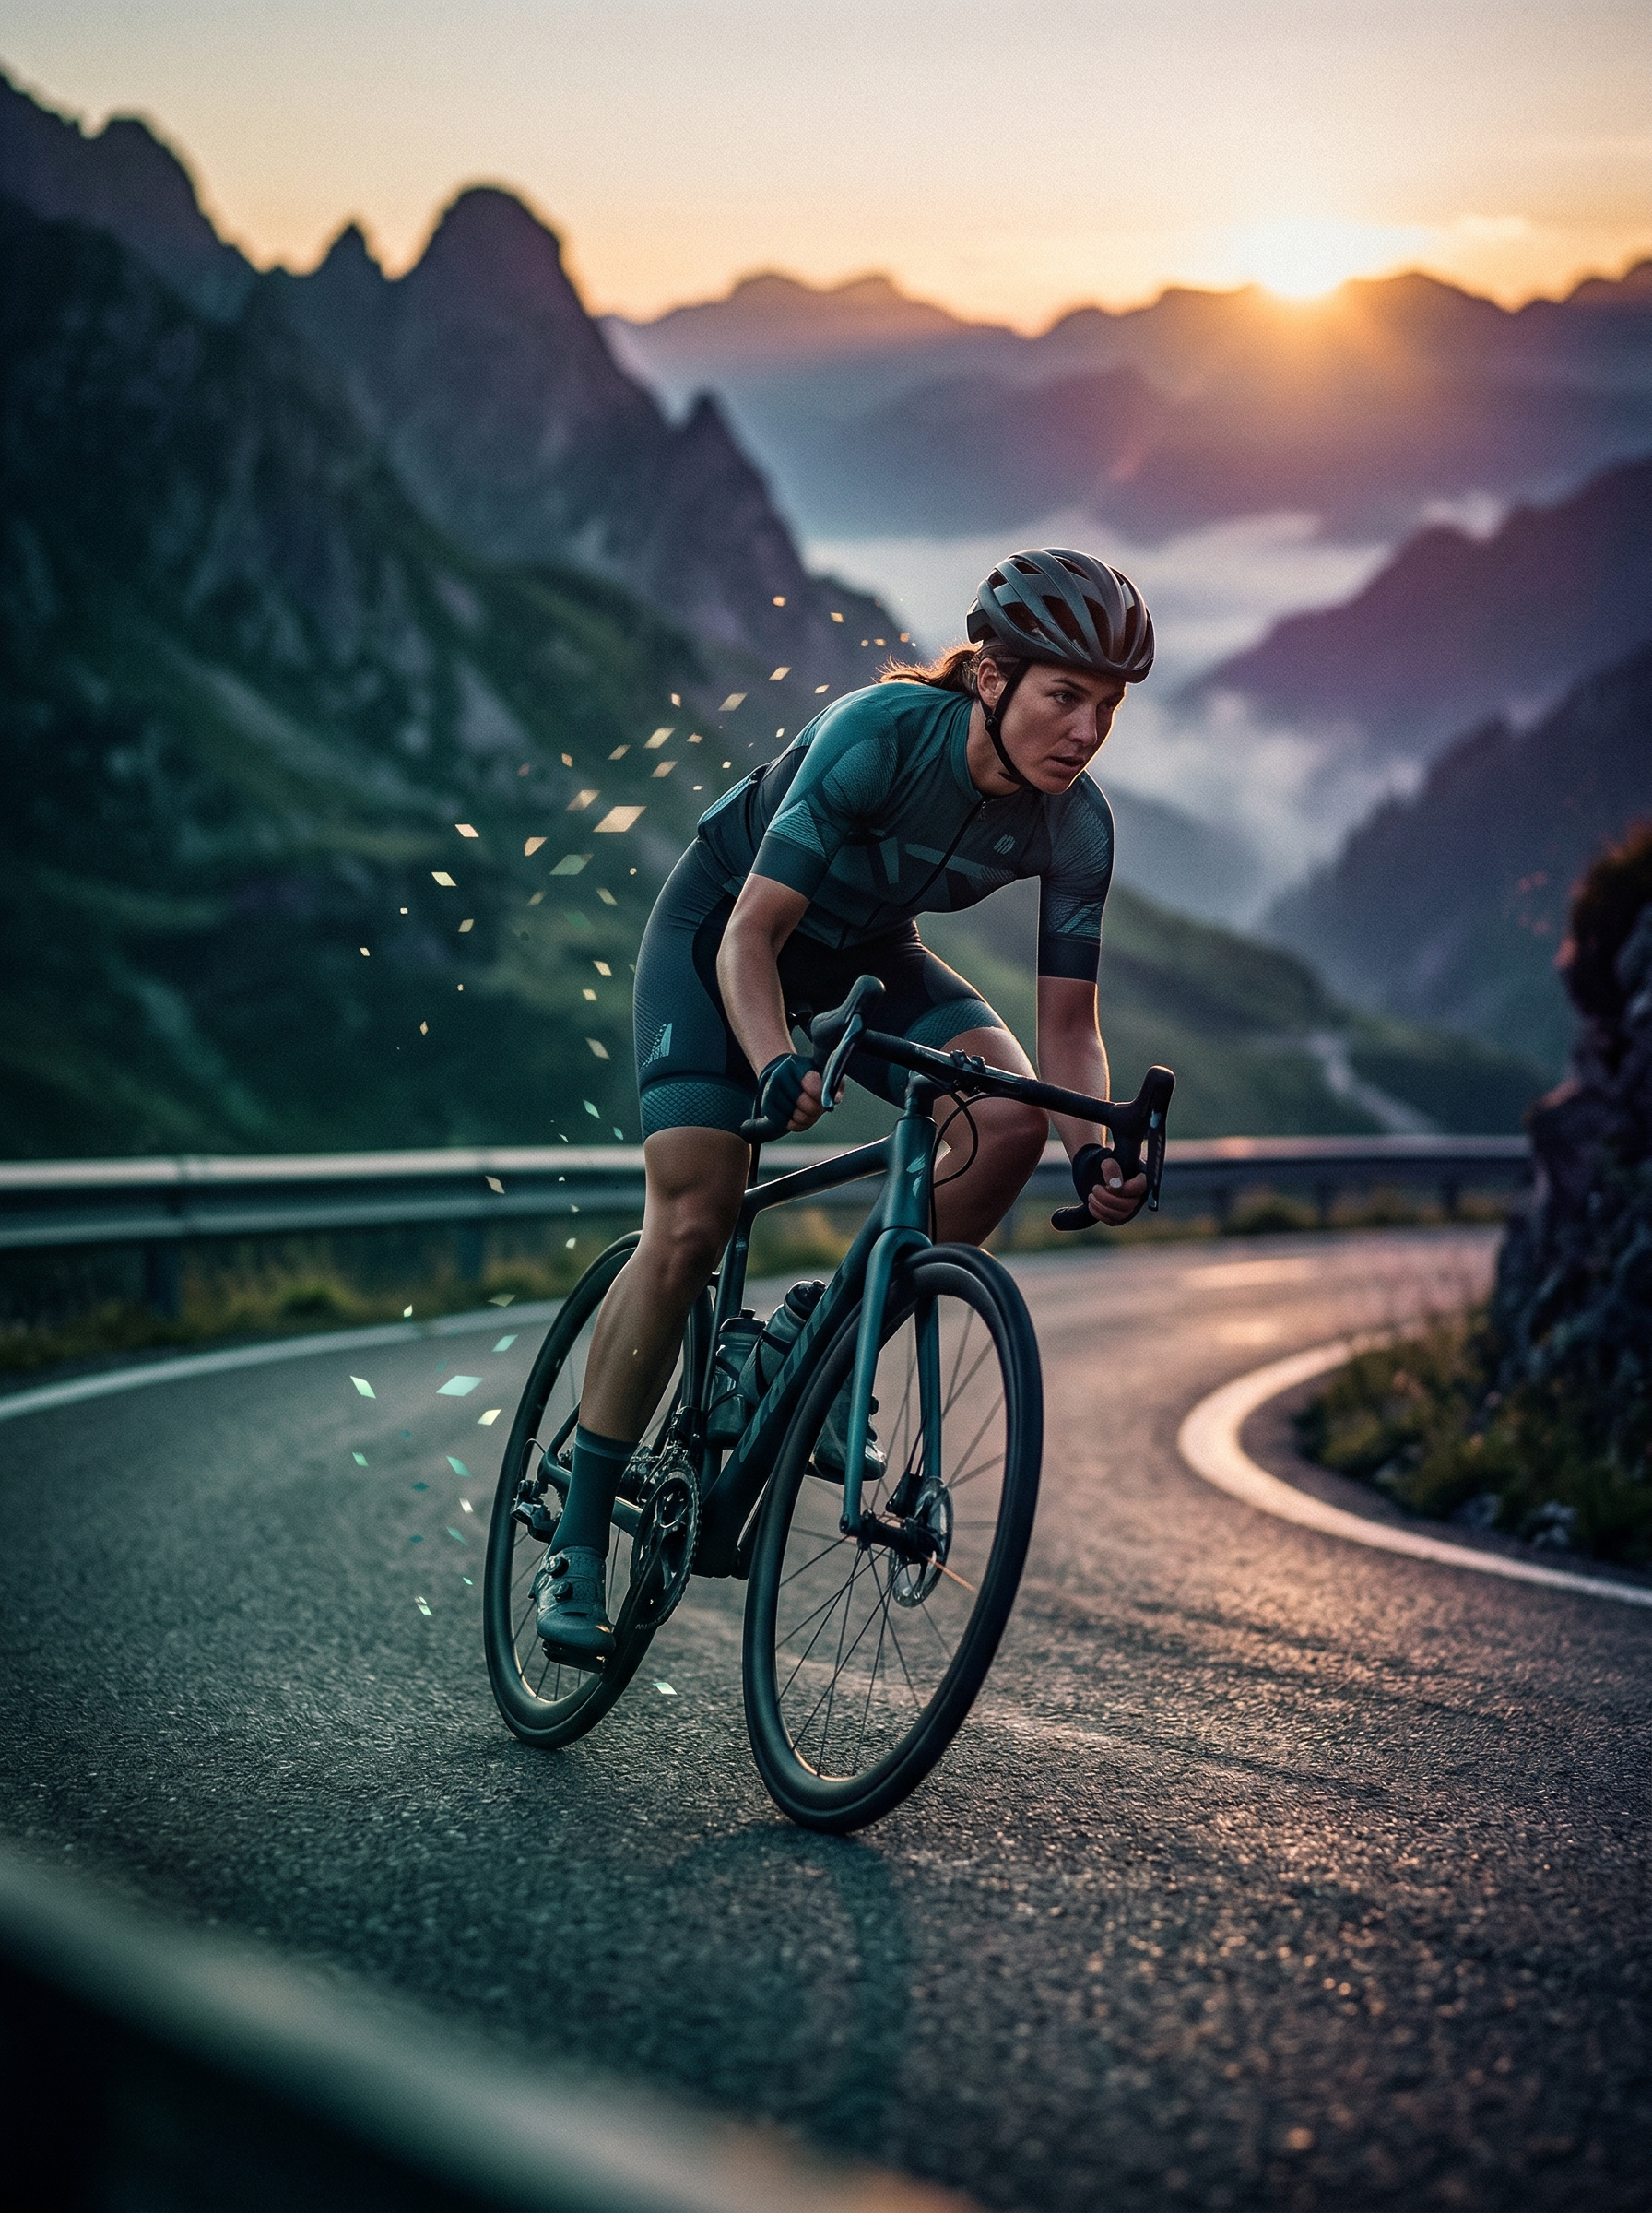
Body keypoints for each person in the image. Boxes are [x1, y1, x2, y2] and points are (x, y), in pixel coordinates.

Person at [533, 548, 1155, 1661]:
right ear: (991, 677)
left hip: (865, 952)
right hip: (723, 932)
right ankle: (578, 1532)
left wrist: (1094, 1147)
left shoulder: (1078, 825)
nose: (1085, 731)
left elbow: (1069, 1034)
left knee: (1008, 1121)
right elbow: (751, 937)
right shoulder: (877, 737)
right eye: (1064, 696)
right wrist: (777, 1063)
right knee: (696, 1214)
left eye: (1106, 708)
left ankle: (816, 1342)